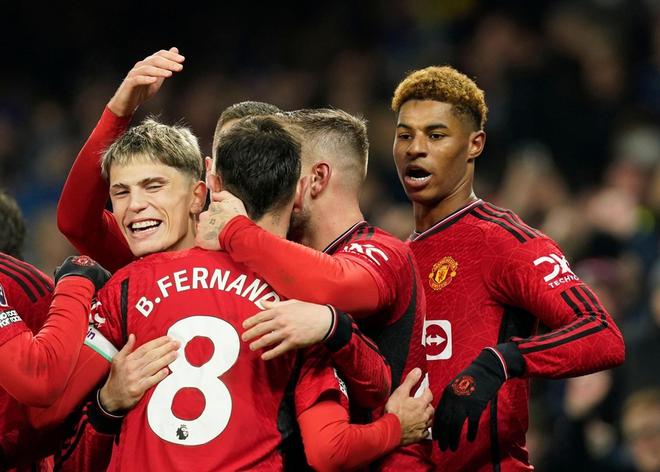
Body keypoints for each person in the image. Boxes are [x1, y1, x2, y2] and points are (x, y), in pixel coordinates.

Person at [45, 113, 431, 470]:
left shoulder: (126, 287)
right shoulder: (295, 301)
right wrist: (335, 328)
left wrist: (106, 404)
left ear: (207, 189)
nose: (136, 205)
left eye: (153, 186)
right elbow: (332, 442)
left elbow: (55, 434)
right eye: (121, 192)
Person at [55, 48, 396, 411]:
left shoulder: (293, 270)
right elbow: (77, 222)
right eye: (230, 159)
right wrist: (107, 403)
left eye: (257, 159)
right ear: (209, 174)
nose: (243, 174)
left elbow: (347, 300)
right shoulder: (149, 252)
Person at [389, 65, 625, 470]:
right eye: (405, 135)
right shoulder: (395, 257)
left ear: (475, 144)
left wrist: (502, 361)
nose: (416, 148)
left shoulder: (504, 241)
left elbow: (602, 335)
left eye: (436, 135)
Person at [196, 107, 432, 470]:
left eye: (285, 168)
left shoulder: (383, 251)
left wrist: (236, 231)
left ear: (316, 179)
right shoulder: (276, 264)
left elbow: (339, 287)